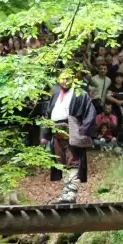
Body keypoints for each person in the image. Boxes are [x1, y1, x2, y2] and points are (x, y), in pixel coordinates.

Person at [41, 70, 96, 204]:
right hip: (56, 132)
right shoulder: (54, 96)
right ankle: (66, 193)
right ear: (58, 80)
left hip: (72, 131)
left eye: (68, 79)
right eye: (63, 79)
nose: (65, 81)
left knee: (73, 162)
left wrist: (81, 131)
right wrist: (45, 135)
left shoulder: (80, 94)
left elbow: (90, 113)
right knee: (61, 163)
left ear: (73, 79)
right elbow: (47, 115)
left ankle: (71, 193)